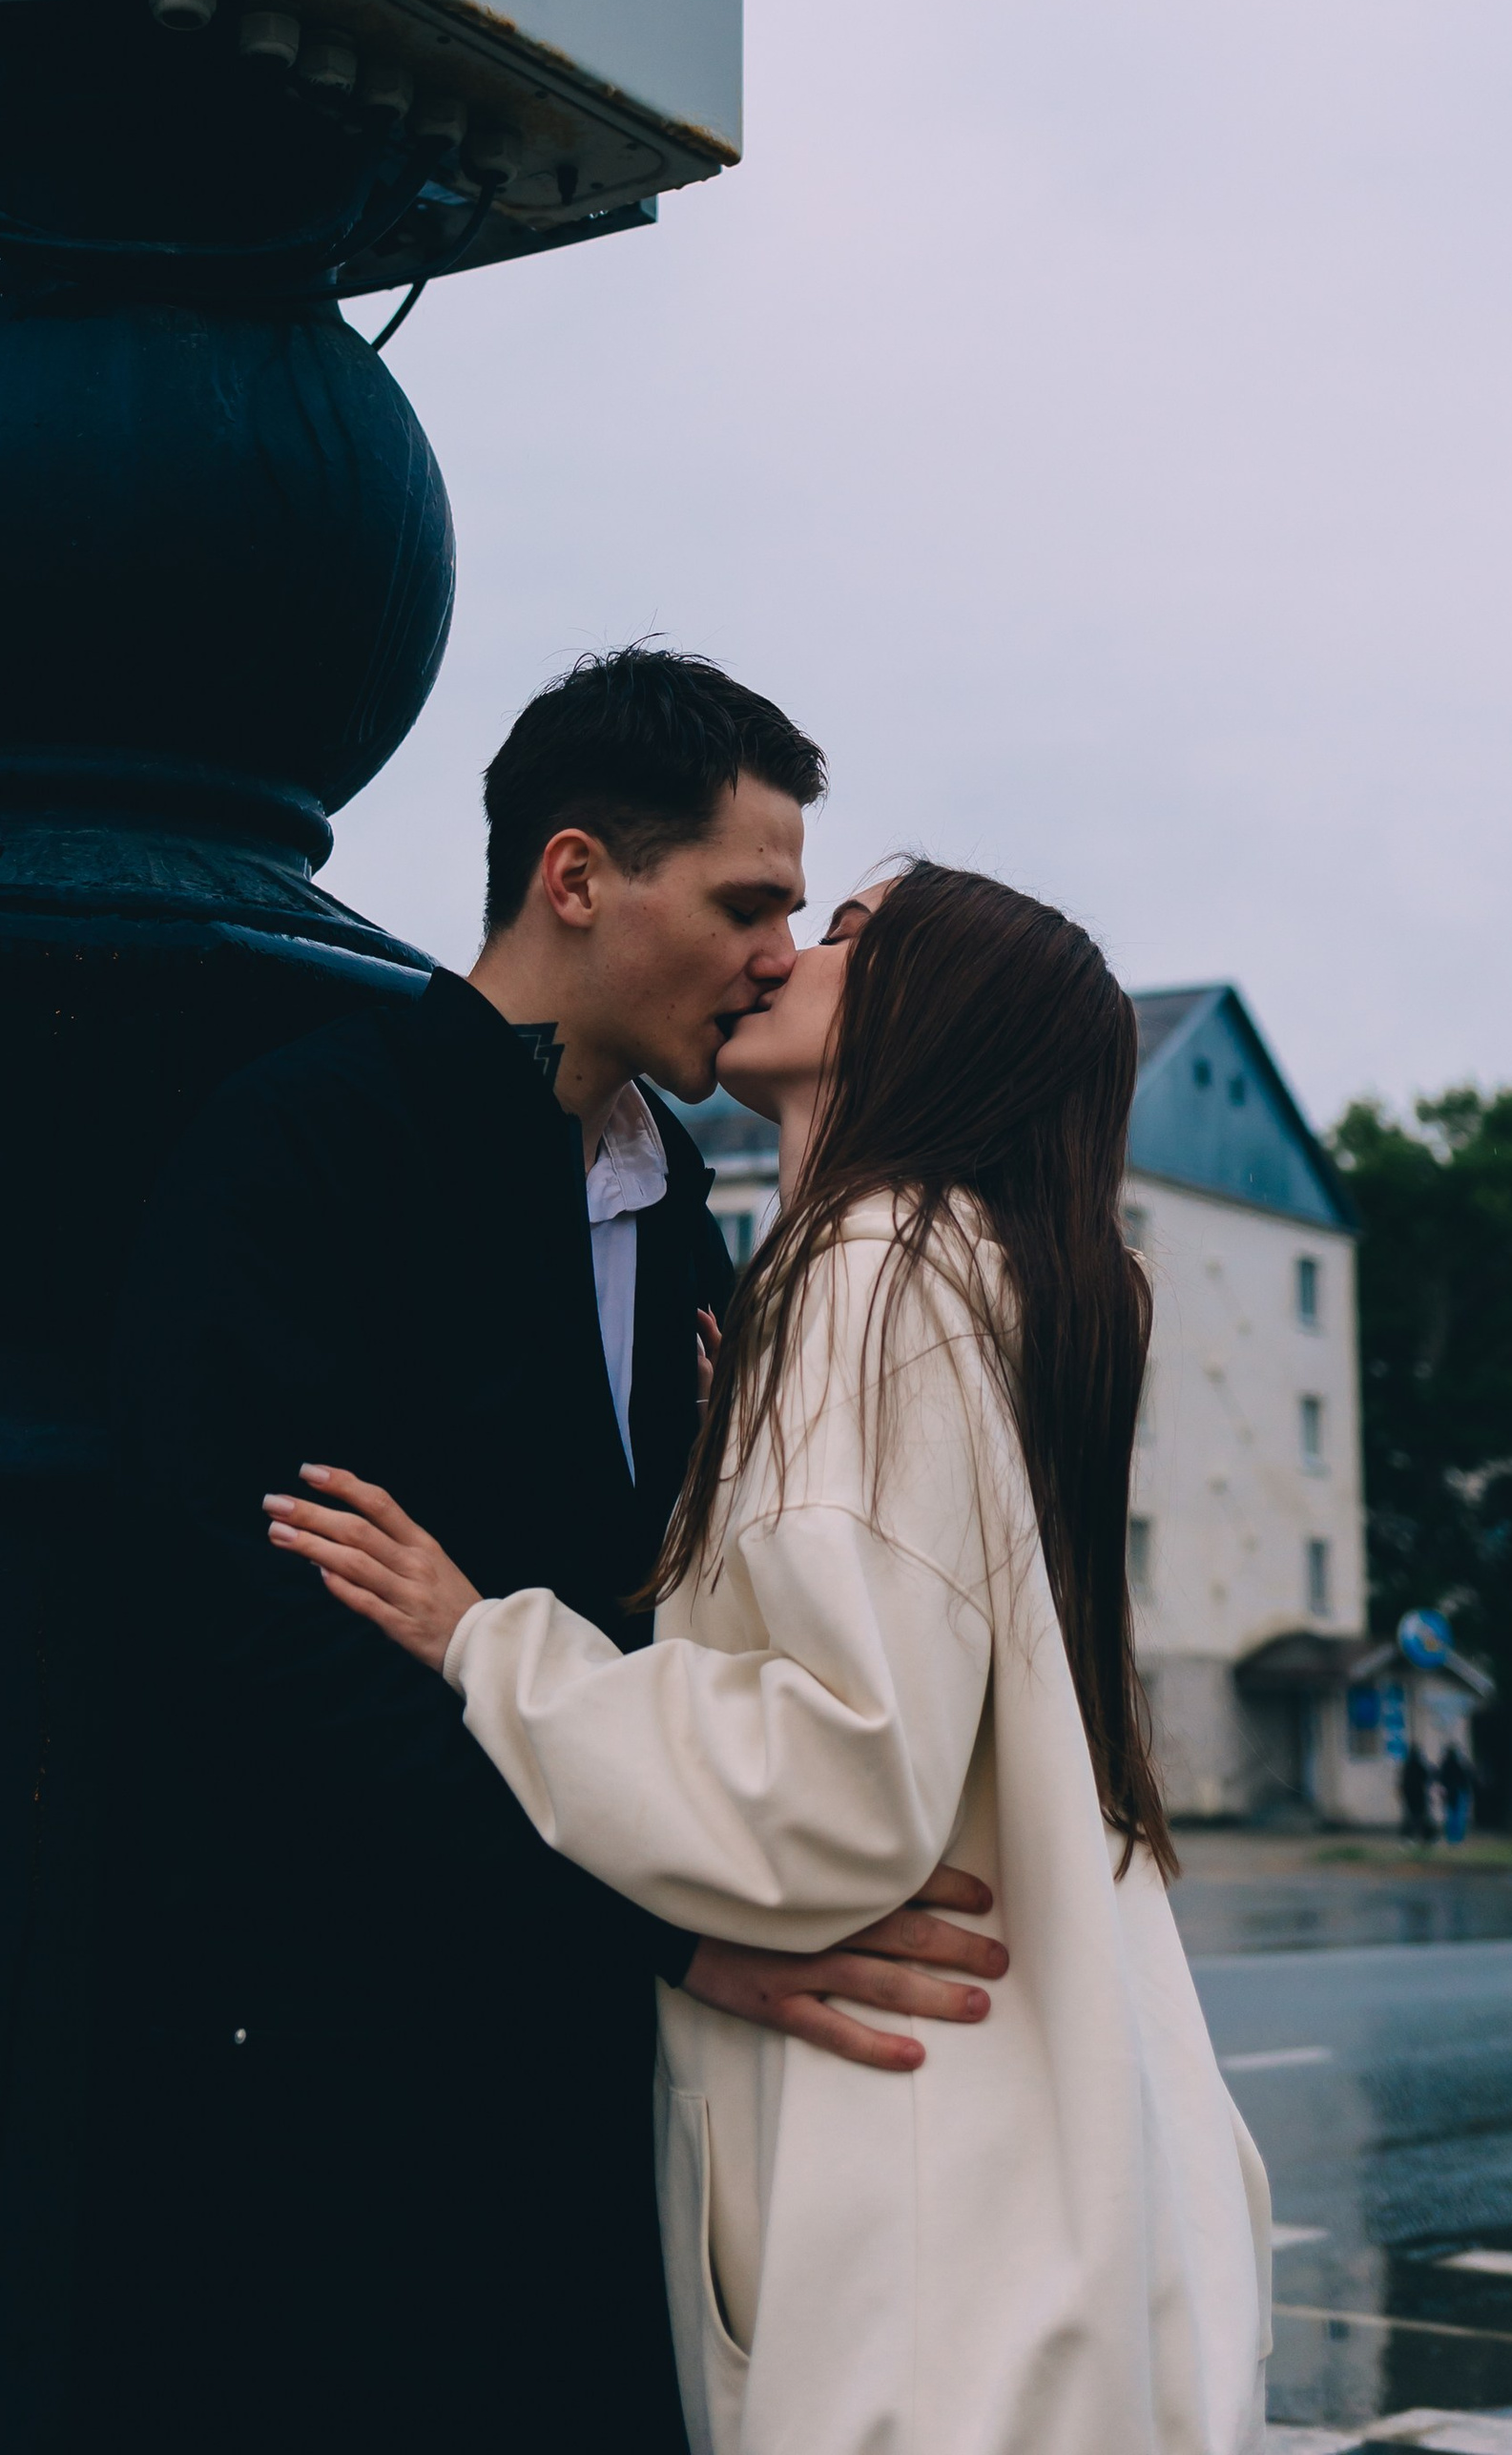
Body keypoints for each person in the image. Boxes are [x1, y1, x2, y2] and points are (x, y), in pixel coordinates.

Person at [110, 659, 1009, 2453]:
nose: (776, 953)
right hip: (351, 2084)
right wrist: (656, 1936)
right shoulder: (311, 1139)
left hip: (606, 2098)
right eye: (748, 903)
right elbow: (255, 1643)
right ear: (578, 875)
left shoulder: (680, 1202)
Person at [268, 864, 1274, 2455]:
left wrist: (487, 1639)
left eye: (853, 934)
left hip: (910, 2179)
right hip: (1029, 2140)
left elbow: (839, 1774)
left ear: (939, 1017)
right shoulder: (983, 1279)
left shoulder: (873, 1276)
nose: (788, 956)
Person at [1437, 1736, 1476, 1846]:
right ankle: (1458, 1838)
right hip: (1460, 1791)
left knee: (1450, 1815)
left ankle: (1451, 1838)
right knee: (1459, 1815)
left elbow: (1441, 1777)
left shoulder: (1445, 1763)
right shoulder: (1462, 1763)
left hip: (1450, 1791)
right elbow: (1469, 1775)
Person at [1399, 1737, 1439, 1847]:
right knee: (1422, 1816)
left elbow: (1403, 1780)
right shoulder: (1420, 1764)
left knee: (1411, 1817)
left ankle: (1409, 1838)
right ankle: (1427, 1838)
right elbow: (1428, 1776)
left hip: (1409, 1794)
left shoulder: (1407, 1765)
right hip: (1419, 1794)